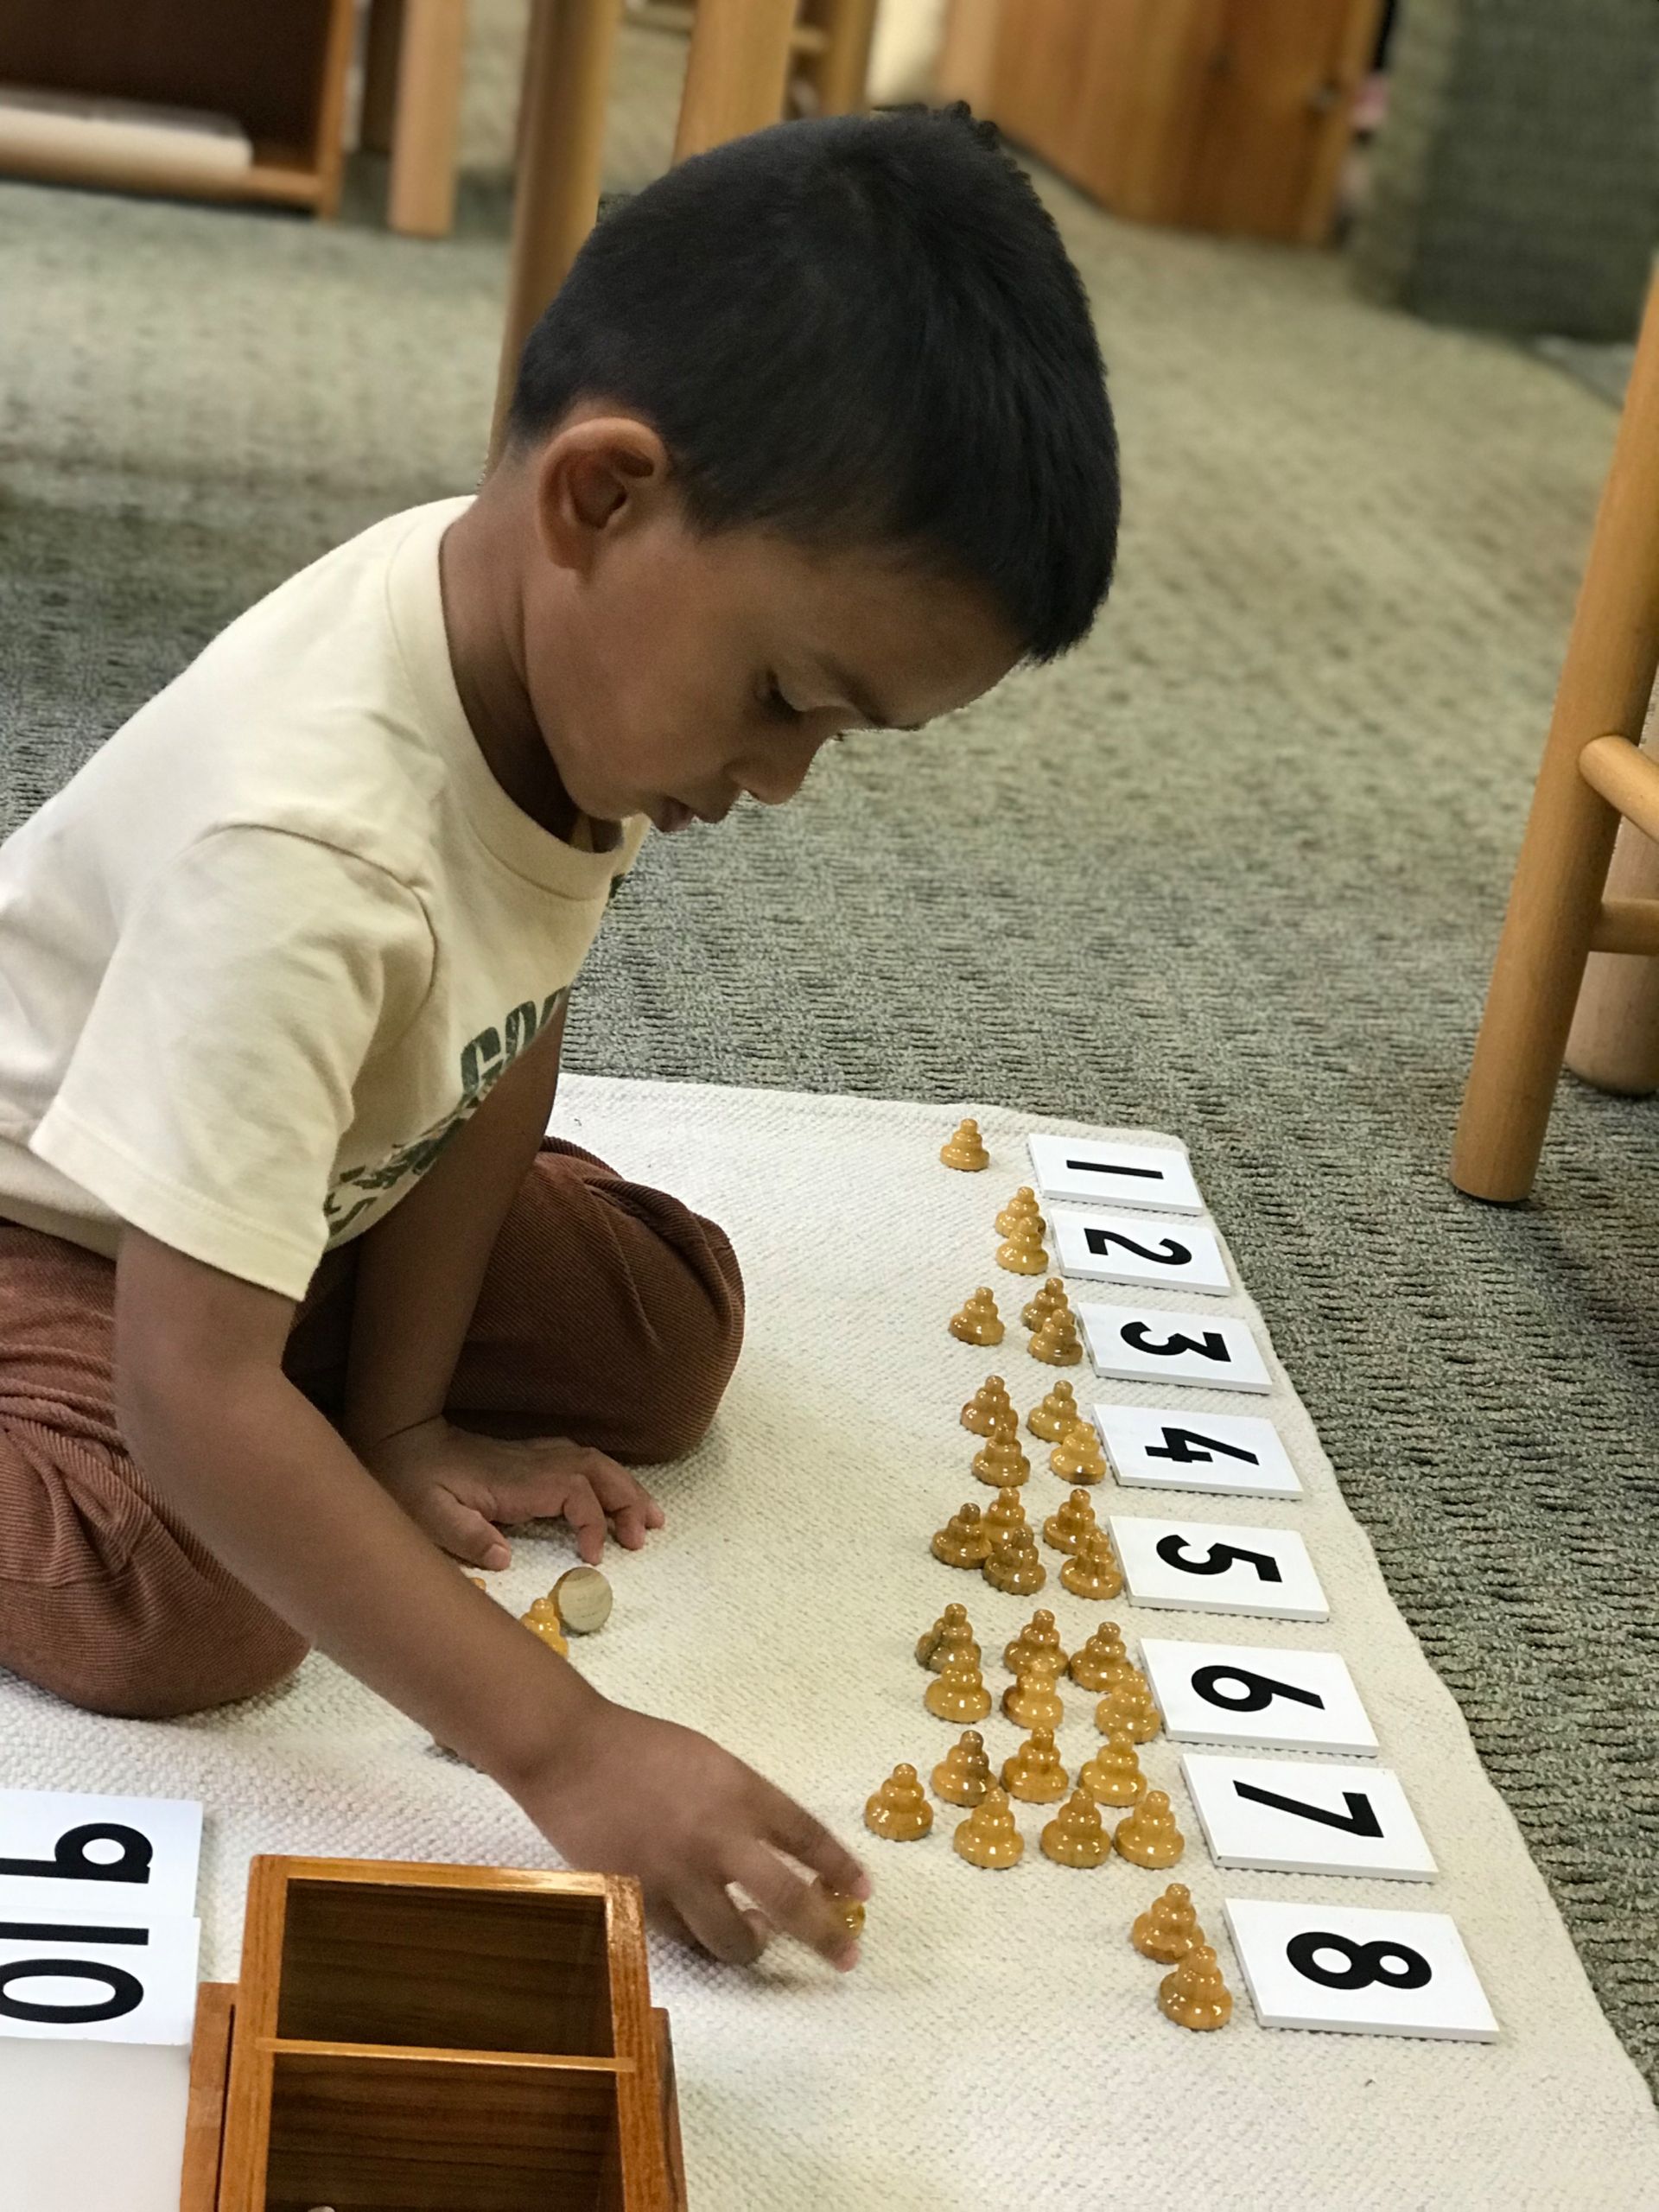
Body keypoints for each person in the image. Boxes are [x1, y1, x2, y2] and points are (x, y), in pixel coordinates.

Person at [0, 106, 1118, 1968]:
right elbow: (190, 1399)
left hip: (301, 1165)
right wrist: (565, 1744)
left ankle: (335, 1362)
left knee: (670, 1325)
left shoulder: (549, 667)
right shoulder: (311, 845)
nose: (775, 777)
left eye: (838, 736)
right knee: (188, 1593)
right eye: (782, 699)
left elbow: (496, 1031)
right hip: (59, 1215)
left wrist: (406, 1416)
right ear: (601, 495)